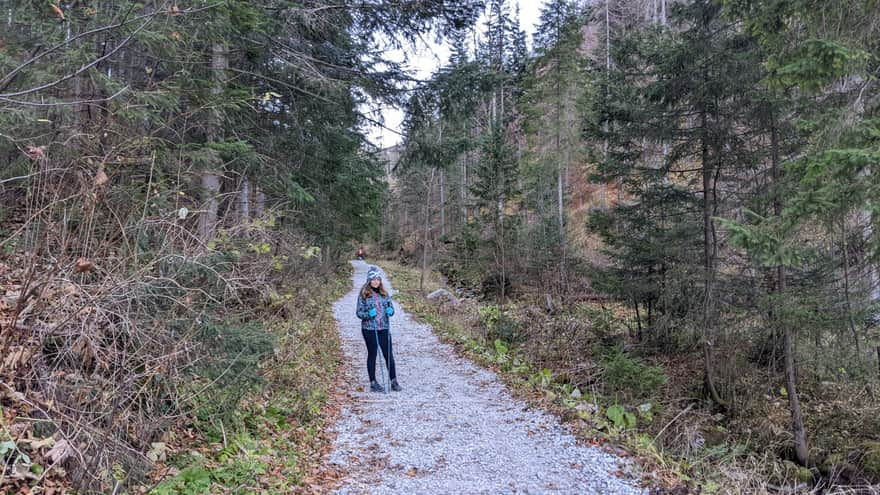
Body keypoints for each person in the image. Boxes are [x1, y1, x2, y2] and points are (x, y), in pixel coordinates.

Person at [355, 266, 401, 392]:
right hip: (369, 329)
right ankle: (373, 382)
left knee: (388, 354)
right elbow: (359, 313)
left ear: (380, 281)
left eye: (378, 279)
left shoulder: (384, 294)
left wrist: (390, 311)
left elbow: (391, 309)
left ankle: (393, 380)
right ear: (369, 280)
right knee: (372, 354)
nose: (376, 281)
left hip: (384, 328)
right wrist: (368, 314)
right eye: (373, 279)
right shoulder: (364, 294)